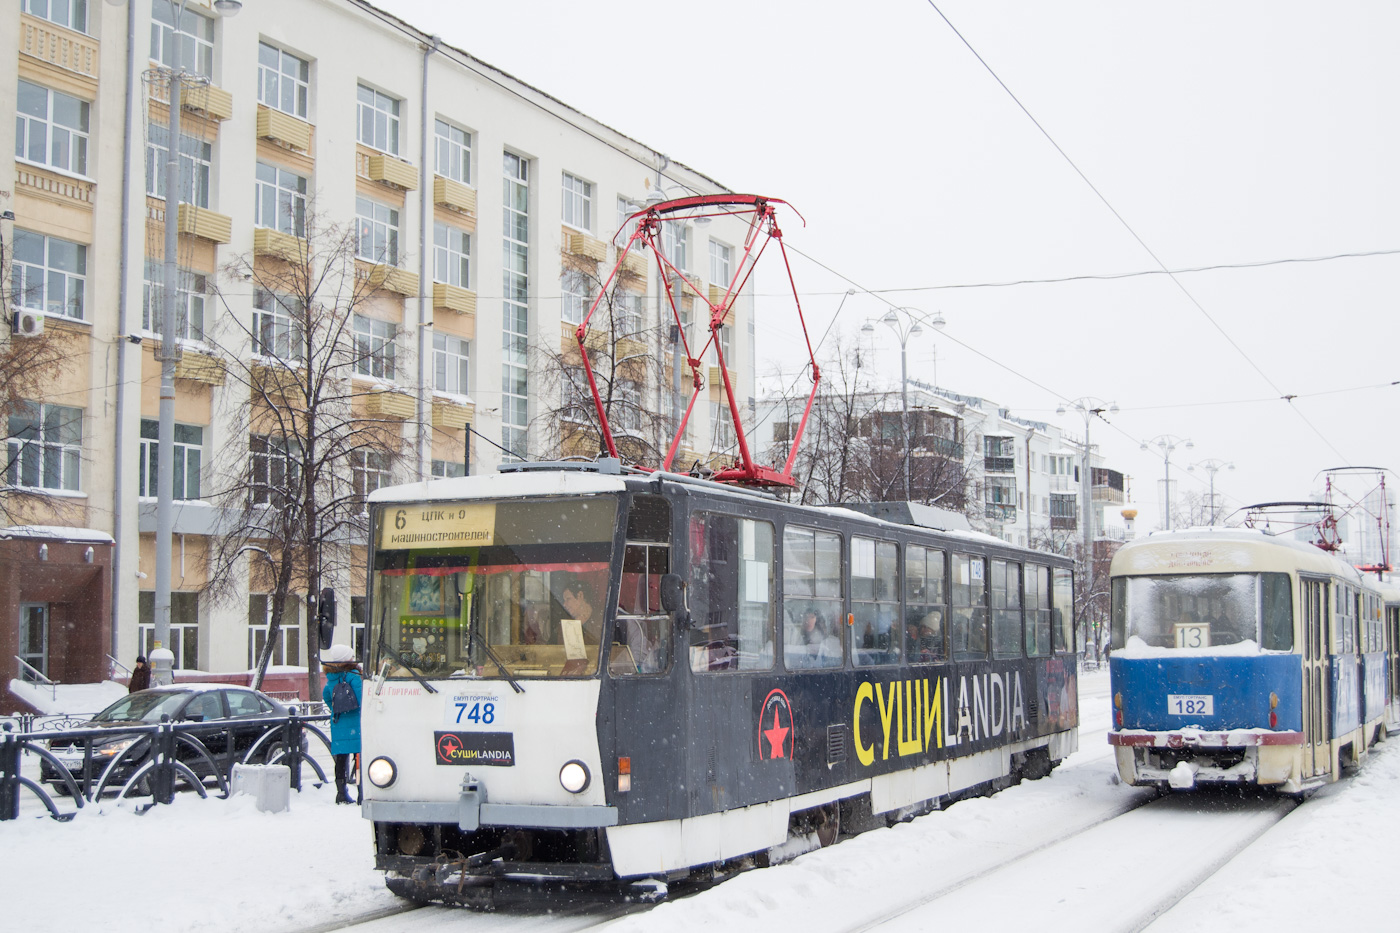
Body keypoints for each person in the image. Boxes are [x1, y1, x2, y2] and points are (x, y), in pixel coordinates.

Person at [321, 643, 362, 805]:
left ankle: (341, 793)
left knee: (341, 760)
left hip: (338, 722)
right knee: (358, 760)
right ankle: (361, 792)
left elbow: (326, 696)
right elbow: (361, 699)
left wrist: (337, 709)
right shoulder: (353, 676)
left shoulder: (332, 677)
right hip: (356, 723)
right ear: (348, 659)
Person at [561, 579, 601, 644]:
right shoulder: (565, 624)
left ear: (580, 595)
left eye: (568, 599)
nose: (564, 604)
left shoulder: (602, 622)